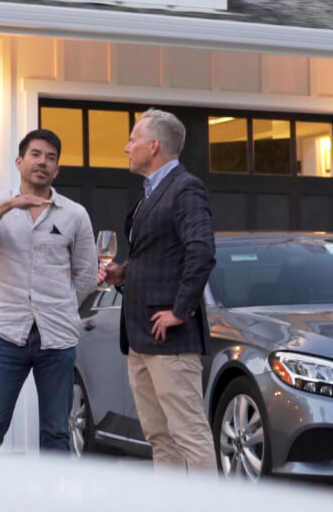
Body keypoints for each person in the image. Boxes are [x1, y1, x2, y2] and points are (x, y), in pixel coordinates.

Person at [0, 129, 97, 453]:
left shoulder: (74, 214)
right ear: (20, 162)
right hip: (8, 336)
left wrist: (62, 306)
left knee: (57, 434)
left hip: (57, 339)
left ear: (57, 170)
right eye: (35, 154)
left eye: (50, 158)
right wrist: (8, 206)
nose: (42, 162)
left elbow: (87, 274)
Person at [98, 108, 217, 472]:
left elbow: (202, 251)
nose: (125, 147)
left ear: (153, 145)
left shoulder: (185, 187)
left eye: (132, 139)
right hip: (139, 336)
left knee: (189, 434)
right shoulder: (149, 193)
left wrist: (179, 311)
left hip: (171, 339)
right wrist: (124, 274)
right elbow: (160, 257)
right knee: (159, 437)